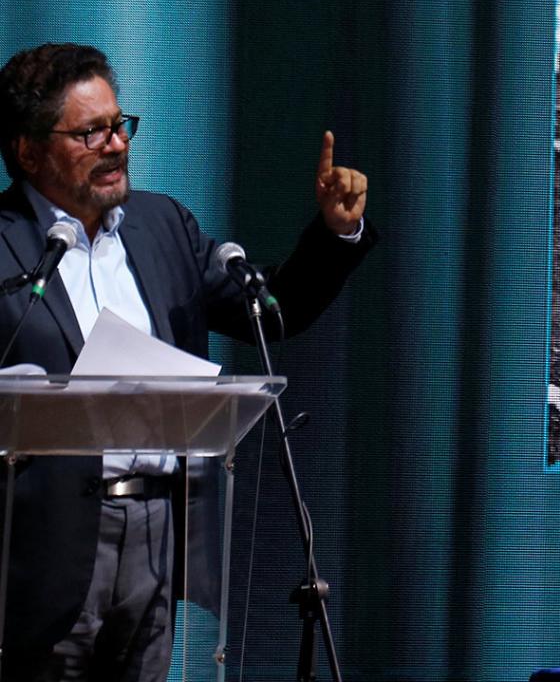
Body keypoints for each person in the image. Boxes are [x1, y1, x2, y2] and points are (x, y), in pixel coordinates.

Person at [0, 41, 374, 681]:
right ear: (29, 151)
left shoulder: (162, 225)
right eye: (90, 133)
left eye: (119, 126)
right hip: (39, 545)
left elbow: (270, 311)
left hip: (155, 530)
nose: (116, 145)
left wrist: (335, 234)